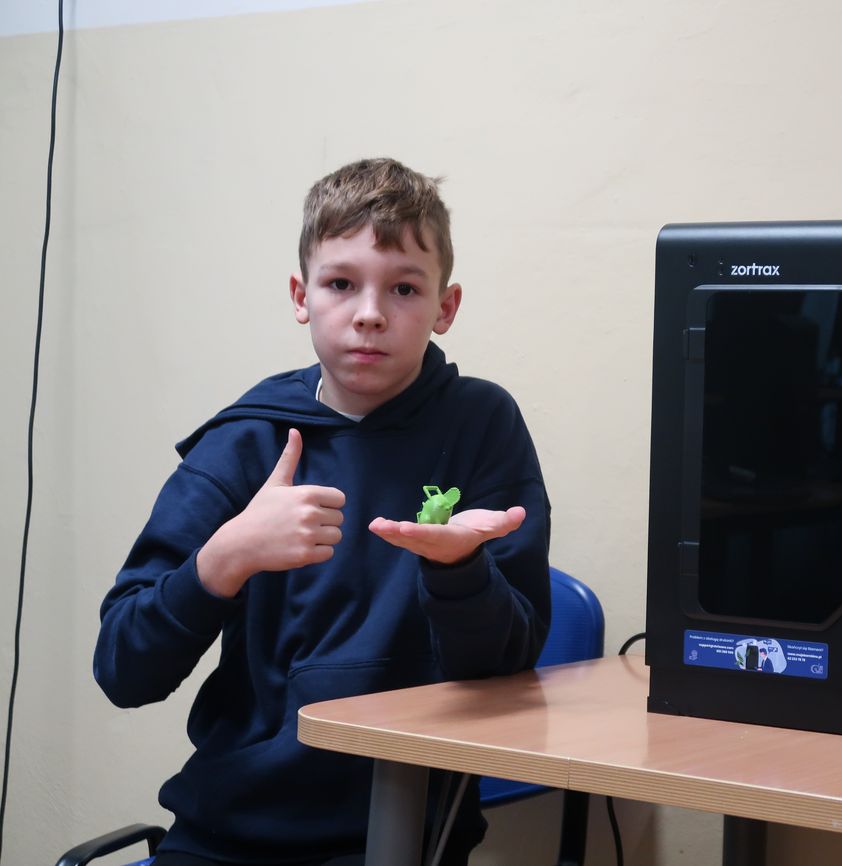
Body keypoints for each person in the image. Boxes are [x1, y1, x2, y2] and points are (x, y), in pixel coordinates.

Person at [94, 158, 551, 866]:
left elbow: (508, 670)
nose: (369, 313)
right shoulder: (246, 440)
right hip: (227, 833)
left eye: (404, 288)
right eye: (341, 284)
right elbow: (124, 669)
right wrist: (225, 558)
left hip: (406, 834)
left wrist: (460, 570)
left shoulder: (481, 425)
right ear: (300, 295)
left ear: (446, 307)